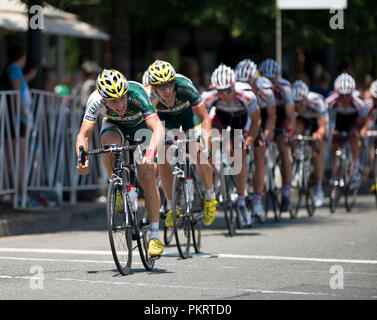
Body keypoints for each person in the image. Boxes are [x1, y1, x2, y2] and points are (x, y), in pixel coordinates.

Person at [76, 69, 165, 257]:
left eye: (122, 98)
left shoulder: (137, 93)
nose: (120, 104)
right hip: (114, 126)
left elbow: (157, 127)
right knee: (109, 147)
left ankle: (155, 235)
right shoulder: (95, 101)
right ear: (104, 99)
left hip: (141, 127)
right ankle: (115, 184)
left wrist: (151, 152)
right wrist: (81, 158)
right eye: (114, 101)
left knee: (148, 174)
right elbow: (83, 135)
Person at [146, 60, 217, 228]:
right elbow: (150, 125)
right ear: (153, 87)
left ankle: (209, 198)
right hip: (166, 121)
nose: (167, 90)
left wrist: (205, 144)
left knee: (199, 154)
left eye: (170, 84)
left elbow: (205, 118)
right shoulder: (148, 96)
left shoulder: (185, 87)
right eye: (161, 86)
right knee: (163, 157)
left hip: (188, 117)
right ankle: (171, 207)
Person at [202, 64, 261, 227]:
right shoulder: (208, 97)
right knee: (211, 138)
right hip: (221, 118)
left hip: (241, 121)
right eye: (220, 91)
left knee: (239, 152)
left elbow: (256, 121)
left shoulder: (247, 96)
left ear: (234, 86)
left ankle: (241, 200)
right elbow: (203, 121)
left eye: (228, 90)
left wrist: (248, 142)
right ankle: (216, 168)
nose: (224, 95)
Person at [234, 59, 276, 221]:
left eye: (249, 83)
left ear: (256, 80)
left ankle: (258, 198)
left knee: (260, 152)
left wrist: (265, 136)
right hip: (241, 115)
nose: (246, 86)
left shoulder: (266, 92)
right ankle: (238, 193)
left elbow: (271, 117)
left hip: (261, 117)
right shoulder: (236, 92)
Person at [258, 59, 295, 212]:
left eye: (271, 79)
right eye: (265, 78)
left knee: (283, 146)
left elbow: (290, 115)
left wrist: (288, 132)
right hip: (263, 114)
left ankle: (286, 191)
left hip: (280, 116)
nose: (268, 82)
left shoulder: (284, 87)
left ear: (277, 76)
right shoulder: (258, 87)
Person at [326, 73, 368, 188]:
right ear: (337, 93)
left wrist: (362, 136)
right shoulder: (330, 101)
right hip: (339, 122)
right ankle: (336, 174)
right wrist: (328, 132)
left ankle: (355, 168)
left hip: (353, 122)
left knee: (354, 137)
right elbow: (326, 120)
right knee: (335, 146)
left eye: (347, 95)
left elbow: (365, 124)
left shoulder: (359, 103)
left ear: (352, 93)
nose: (344, 98)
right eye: (342, 95)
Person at [291, 80, 329, 207]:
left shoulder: (317, 101)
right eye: (295, 103)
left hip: (317, 122)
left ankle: (318, 188)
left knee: (315, 153)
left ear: (306, 99)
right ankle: (297, 159)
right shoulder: (292, 104)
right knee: (294, 133)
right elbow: (290, 125)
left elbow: (322, 127)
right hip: (303, 120)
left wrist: (318, 134)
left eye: (300, 103)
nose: (298, 106)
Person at [364, 79, 377, 192]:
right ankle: (372, 169)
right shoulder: (368, 104)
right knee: (371, 145)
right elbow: (362, 120)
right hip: (372, 125)